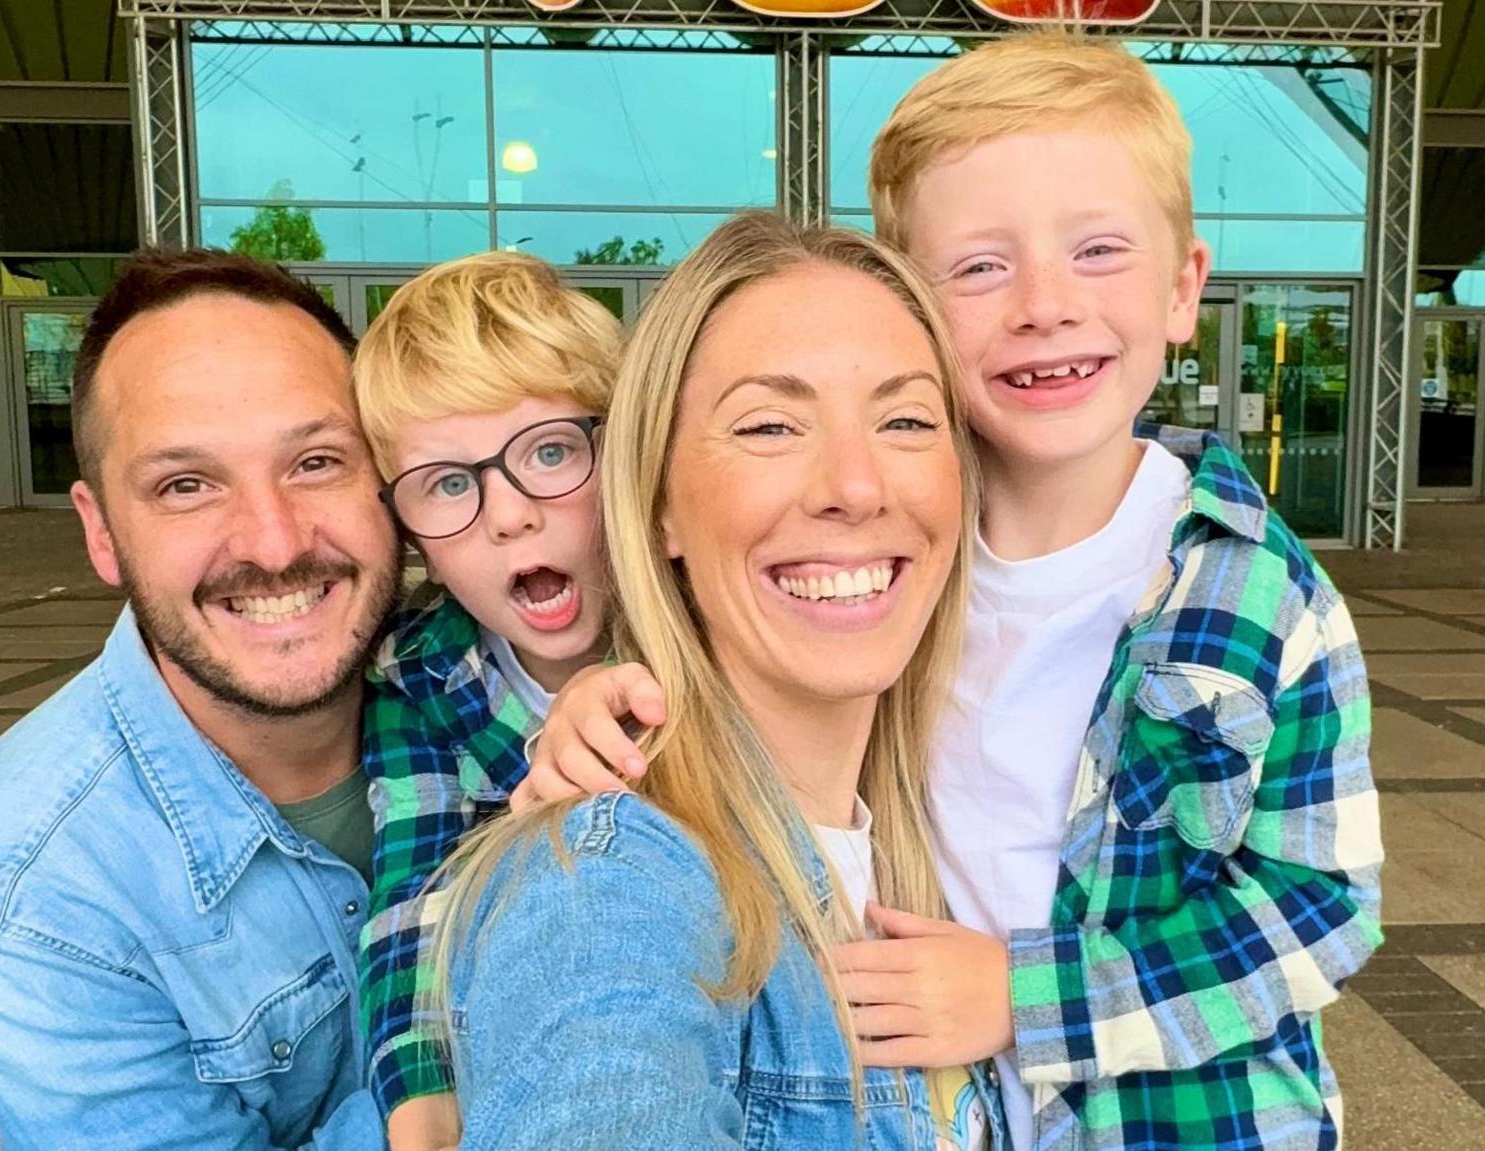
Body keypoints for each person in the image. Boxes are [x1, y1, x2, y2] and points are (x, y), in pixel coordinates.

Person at [519, 33, 1385, 1151]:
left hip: (1179, 1122)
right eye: (979, 266)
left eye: (1098, 252)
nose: (1042, 304)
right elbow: (732, 666)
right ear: (914, 310)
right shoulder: (896, 542)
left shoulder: (1261, 595)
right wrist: (601, 703)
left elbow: (1320, 907)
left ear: (1183, 289)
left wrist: (1030, 997)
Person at [432, 212, 1001, 1149]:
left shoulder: (945, 834)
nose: (855, 486)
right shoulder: (611, 880)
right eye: (770, 425)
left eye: (904, 418)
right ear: (659, 508)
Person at [0, 249, 397, 1150]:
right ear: (101, 532)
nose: (275, 541)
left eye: (317, 460)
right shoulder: (29, 892)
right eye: (186, 484)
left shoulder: (507, 687)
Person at [347, 252, 621, 1151]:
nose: (508, 516)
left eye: (550, 451)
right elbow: (416, 888)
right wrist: (420, 1099)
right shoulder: (417, 677)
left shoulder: (717, 630)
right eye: (450, 483)